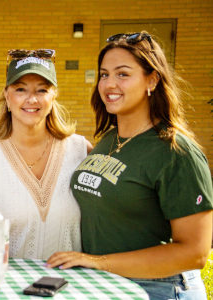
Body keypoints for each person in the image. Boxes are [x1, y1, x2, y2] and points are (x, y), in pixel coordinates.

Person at [46, 32, 213, 299]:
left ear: (153, 79)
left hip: (159, 288)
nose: (109, 84)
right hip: (108, 284)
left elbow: (195, 253)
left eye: (123, 74)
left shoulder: (176, 152)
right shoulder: (109, 140)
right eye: (104, 74)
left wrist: (98, 262)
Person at [0, 49, 92, 259]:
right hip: (7, 284)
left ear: (54, 95)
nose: (31, 99)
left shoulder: (81, 150)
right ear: (6, 95)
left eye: (42, 90)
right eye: (20, 89)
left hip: (70, 284)